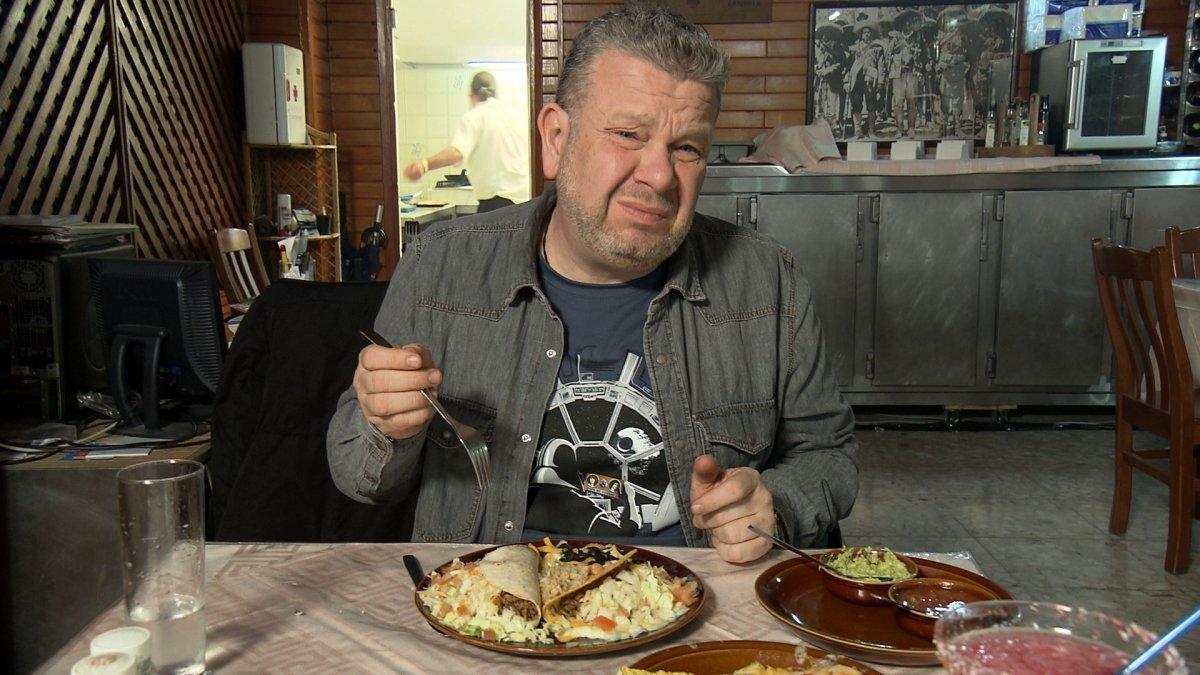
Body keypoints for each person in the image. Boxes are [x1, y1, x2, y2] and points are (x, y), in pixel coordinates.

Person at [328, 6, 858, 564]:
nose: (657, 176)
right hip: (487, 610)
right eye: (628, 135)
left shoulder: (768, 283)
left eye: (687, 149)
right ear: (556, 138)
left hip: (698, 607)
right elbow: (358, 478)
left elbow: (830, 455)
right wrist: (385, 426)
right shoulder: (439, 267)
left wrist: (779, 505)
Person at [402, 71, 530, 213]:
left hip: (496, 205)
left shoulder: (476, 116)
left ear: (471, 94)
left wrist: (424, 164)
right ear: (495, 93)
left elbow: (456, 152)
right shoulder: (516, 117)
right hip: (525, 205)